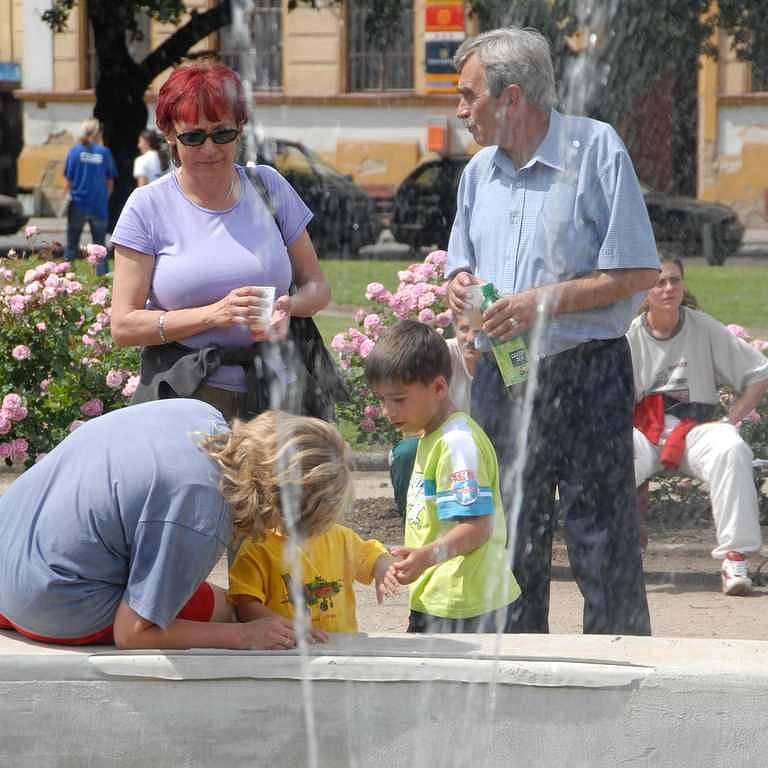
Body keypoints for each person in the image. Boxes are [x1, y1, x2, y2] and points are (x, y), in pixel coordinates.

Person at [445, 27, 659, 635]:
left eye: (469, 96)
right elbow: (461, 261)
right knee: (508, 527)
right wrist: (460, 284)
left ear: (511, 98)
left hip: (584, 367)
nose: (461, 110)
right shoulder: (478, 173)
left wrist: (541, 303)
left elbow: (638, 269)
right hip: (502, 376)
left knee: (601, 528)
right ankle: (513, 673)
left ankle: (624, 672)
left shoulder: (596, 149)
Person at [0, 400, 352, 650]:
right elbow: (132, 635)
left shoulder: (199, 414)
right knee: (225, 610)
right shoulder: (203, 512)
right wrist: (246, 637)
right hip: (43, 600)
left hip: (8, 550)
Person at [109, 61, 338, 422]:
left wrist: (288, 307)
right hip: (186, 397)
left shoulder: (268, 187)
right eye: (193, 136)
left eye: (222, 133)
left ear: (241, 128)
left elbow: (318, 288)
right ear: (169, 133)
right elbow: (123, 325)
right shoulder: (148, 206)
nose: (210, 148)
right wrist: (213, 315)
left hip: (274, 391)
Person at [364, 319, 520, 633]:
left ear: (438, 387)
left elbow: (477, 528)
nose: (388, 411)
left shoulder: (457, 444)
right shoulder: (433, 437)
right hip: (442, 597)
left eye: (398, 399)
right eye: (381, 400)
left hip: (466, 606)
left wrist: (425, 556)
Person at [628, 256, 768, 596]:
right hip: (646, 430)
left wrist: (732, 418)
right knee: (616, 452)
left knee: (731, 447)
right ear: (645, 292)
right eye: (659, 282)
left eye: (674, 280)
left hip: (696, 429)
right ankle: (622, 554)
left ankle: (735, 560)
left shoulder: (703, 327)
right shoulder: (629, 336)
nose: (667, 288)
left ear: (683, 285)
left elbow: (759, 373)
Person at [228, 522, 398, 638]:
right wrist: (289, 629)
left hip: (341, 650)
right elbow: (245, 606)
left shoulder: (340, 536)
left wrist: (383, 567)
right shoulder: (257, 547)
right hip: (285, 651)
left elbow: (371, 554)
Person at [389, 315, 481, 516]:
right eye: (464, 329)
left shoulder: (511, 360)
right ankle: (415, 521)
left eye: (480, 331)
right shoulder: (442, 356)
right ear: (454, 329)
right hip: (442, 443)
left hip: (492, 445)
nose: (472, 338)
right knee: (407, 452)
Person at [63, 118, 117, 276]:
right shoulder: (104, 153)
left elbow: (68, 179)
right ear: (98, 132)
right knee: (100, 247)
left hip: (78, 204)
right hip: (99, 205)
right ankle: (103, 281)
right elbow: (110, 181)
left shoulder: (75, 151)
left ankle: (64, 280)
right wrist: (104, 197)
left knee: (71, 246)